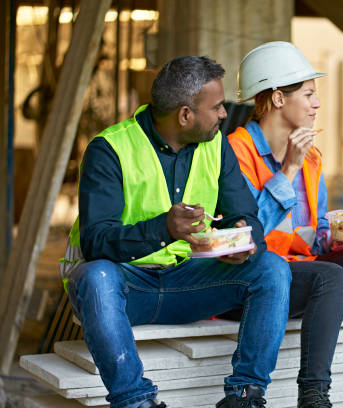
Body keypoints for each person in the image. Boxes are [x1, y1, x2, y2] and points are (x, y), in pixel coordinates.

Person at [60, 56, 292, 408]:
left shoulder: (217, 145)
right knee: (95, 276)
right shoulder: (109, 149)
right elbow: (96, 241)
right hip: (127, 288)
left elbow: (244, 214)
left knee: (272, 267)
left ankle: (245, 397)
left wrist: (244, 239)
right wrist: (163, 229)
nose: (223, 114)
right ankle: (136, 402)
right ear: (185, 115)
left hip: (189, 283)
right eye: (215, 107)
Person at [227, 41, 343, 408]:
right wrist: (287, 170)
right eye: (309, 94)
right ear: (278, 98)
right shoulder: (237, 151)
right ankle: (313, 395)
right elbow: (247, 235)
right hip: (254, 281)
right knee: (333, 278)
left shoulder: (311, 156)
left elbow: (316, 236)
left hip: (302, 272)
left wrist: (342, 236)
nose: (317, 104)